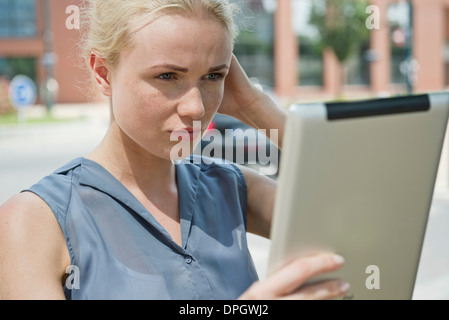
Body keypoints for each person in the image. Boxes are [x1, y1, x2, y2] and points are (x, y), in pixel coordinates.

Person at [0, 0, 349, 300]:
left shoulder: (231, 187)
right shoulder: (34, 222)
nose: (196, 107)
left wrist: (253, 105)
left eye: (213, 76)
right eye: (168, 76)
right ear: (103, 72)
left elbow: (366, 212)